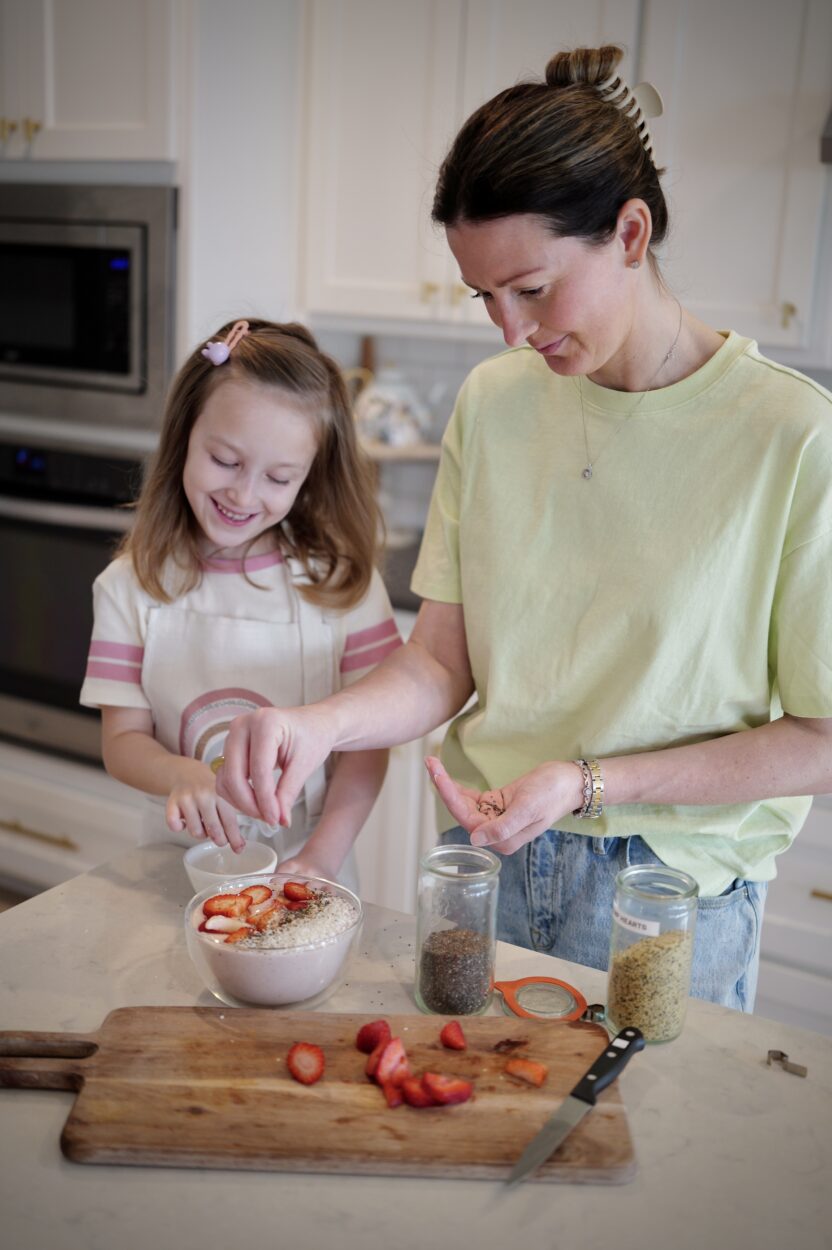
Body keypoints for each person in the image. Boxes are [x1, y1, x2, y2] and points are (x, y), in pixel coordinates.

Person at [215, 46, 832, 1010]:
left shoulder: (792, 437)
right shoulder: (496, 402)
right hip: (480, 869)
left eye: (532, 289)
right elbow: (439, 664)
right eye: (484, 296)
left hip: (665, 901)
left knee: (652, 1152)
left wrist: (587, 784)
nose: (509, 330)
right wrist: (315, 724)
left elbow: (821, 738)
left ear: (630, 233)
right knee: (457, 1129)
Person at [80, 318, 401, 889]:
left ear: (308, 478)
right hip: (174, 872)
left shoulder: (344, 585)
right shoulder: (129, 587)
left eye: (279, 477)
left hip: (310, 866)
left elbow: (368, 747)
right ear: (184, 436)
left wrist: (321, 859)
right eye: (225, 461)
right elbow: (123, 742)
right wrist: (183, 773)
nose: (243, 494)